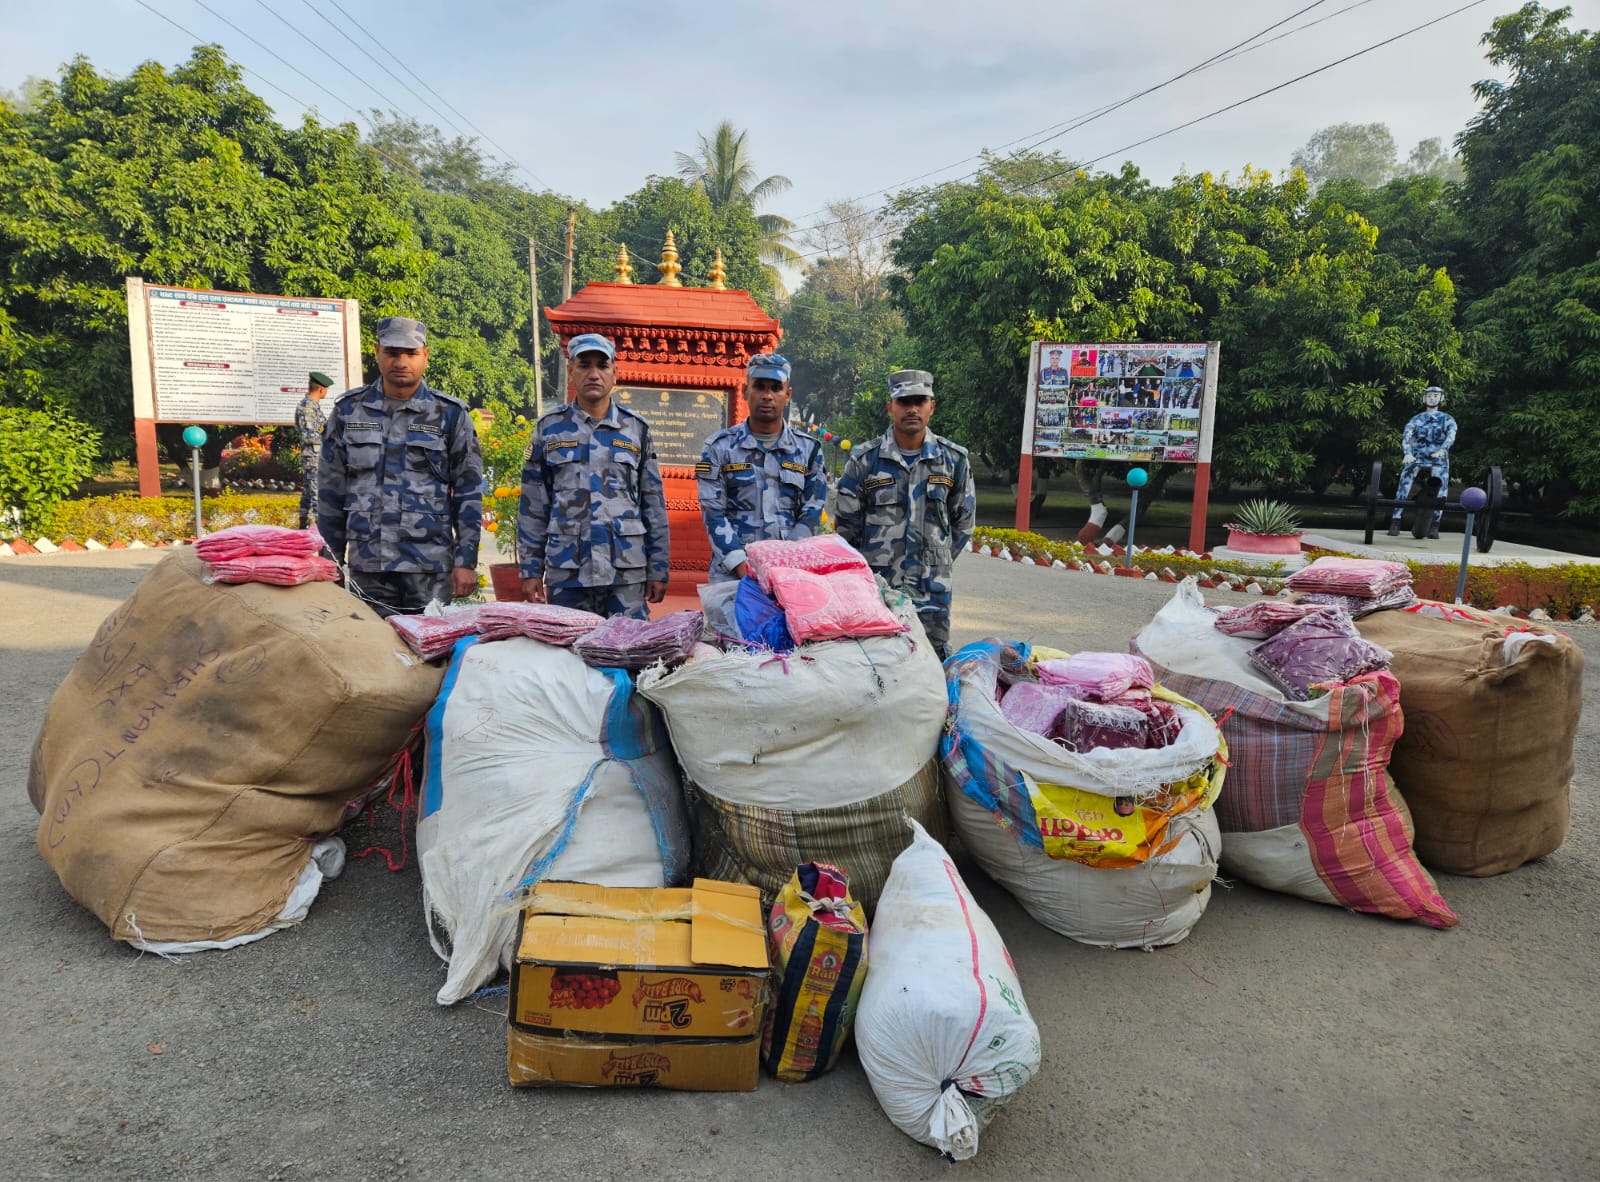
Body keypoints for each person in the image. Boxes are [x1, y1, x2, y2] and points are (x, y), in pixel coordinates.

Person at [318, 317, 482, 617]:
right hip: (369, 567)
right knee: (369, 652)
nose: (401, 361)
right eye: (392, 352)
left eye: (410, 353)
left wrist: (465, 561)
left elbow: (469, 493)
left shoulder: (451, 415)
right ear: (377, 351)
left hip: (429, 568)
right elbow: (331, 492)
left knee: (431, 654)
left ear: (426, 355)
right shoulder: (348, 412)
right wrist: (329, 561)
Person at [518, 332, 669, 617]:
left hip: (625, 571)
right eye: (584, 364)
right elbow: (533, 505)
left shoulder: (637, 429)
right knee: (567, 654)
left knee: (629, 650)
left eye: (602, 365)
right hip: (568, 570)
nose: (594, 373)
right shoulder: (548, 429)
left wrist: (658, 567)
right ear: (570, 371)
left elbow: (653, 504)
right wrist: (530, 569)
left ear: (615, 373)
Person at [834, 369, 976, 660]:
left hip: (932, 591)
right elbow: (846, 531)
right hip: (877, 591)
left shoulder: (953, 460)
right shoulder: (865, 461)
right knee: (876, 664)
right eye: (904, 401)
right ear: (890, 407)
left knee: (932, 665)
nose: (912, 408)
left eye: (920, 400)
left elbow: (962, 524)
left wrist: (935, 562)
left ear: (931, 406)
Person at [696, 353, 826, 583]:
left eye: (776, 388)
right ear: (746, 391)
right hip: (733, 577)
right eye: (759, 387)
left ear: (788, 395)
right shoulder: (719, 447)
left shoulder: (809, 450)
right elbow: (713, 512)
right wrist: (742, 566)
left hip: (791, 575)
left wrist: (785, 563)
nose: (767, 396)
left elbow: (812, 512)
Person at [1390, 385, 1457, 538]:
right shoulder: (1417, 419)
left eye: (1435, 395)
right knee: (1404, 485)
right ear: (1424, 398)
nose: (1432, 398)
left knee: (1441, 488)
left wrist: (1442, 449)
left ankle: (1435, 524)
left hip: (1438, 456)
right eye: (1429, 395)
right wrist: (1407, 453)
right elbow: (1407, 436)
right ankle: (1396, 520)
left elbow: (1451, 436)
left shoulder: (1447, 419)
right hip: (1417, 455)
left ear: (1441, 398)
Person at [295, 370, 333, 529]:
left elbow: (325, 427)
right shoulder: (307, 408)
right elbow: (309, 435)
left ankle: (302, 532)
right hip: (314, 458)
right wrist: (328, 441)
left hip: (315, 458)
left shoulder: (313, 406)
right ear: (321, 389)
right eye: (326, 390)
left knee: (308, 496)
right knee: (318, 497)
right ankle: (323, 537)